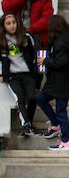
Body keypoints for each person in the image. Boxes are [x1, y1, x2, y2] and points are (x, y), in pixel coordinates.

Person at [0, 13, 43, 136]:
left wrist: (36, 73)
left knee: (32, 98)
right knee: (20, 98)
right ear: (3, 26)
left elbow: (35, 54)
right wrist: (2, 75)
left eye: (13, 23)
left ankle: (29, 123)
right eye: (8, 23)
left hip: (27, 73)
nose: (12, 26)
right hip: (13, 75)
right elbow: (0, 60)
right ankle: (26, 125)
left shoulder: (26, 37)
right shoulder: (1, 40)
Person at [36, 15, 69, 151]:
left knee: (61, 111)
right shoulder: (60, 40)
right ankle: (56, 125)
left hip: (62, 83)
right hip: (56, 83)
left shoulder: (61, 43)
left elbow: (62, 62)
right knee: (40, 98)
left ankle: (66, 141)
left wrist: (45, 61)